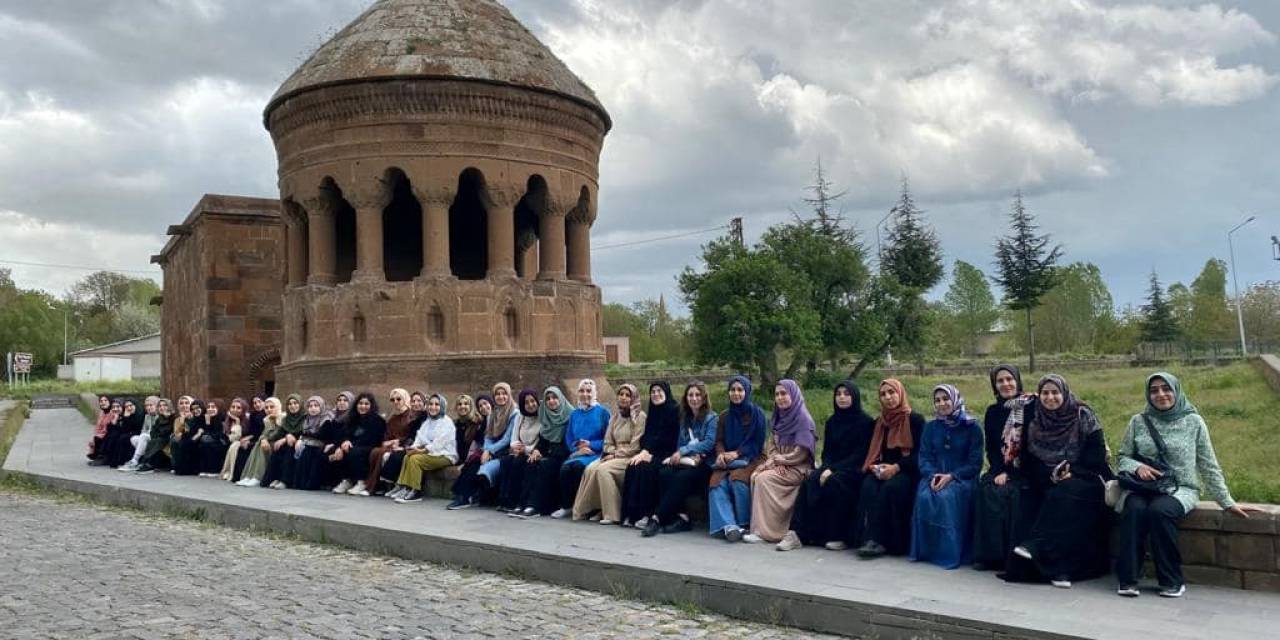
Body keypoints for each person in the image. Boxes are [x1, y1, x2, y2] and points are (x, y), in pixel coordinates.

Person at [1114, 372, 1259, 598]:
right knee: (1134, 510)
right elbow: (1123, 456)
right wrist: (1137, 468)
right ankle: (1129, 579)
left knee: (1160, 512)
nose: (1161, 394)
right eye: (1154, 390)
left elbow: (1208, 465)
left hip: (1180, 489)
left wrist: (1227, 502)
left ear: (1176, 390)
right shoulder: (1138, 421)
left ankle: (1171, 580)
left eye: (1166, 388)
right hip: (1144, 487)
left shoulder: (1193, 422)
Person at [1004, 374, 1112, 589]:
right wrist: (1051, 474)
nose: (1050, 397)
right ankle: (1055, 570)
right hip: (1050, 477)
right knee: (1031, 495)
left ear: (1064, 393)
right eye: (1045, 393)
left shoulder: (1083, 415)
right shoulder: (1035, 420)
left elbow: (1096, 457)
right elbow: (1029, 460)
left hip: (1087, 477)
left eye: (1055, 392)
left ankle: (1036, 547)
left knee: (1064, 495)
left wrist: (1071, 471)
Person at [791, 381, 876, 549]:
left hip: (855, 469)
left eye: (846, 394)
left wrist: (832, 470)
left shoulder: (865, 422)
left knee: (835, 482)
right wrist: (825, 468)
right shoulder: (832, 422)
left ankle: (839, 536)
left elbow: (860, 455)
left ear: (854, 396)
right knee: (810, 480)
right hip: (832, 467)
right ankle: (799, 533)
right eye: (838, 394)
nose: (842, 397)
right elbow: (827, 453)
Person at [909, 384, 983, 569]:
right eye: (937, 400)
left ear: (955, 399)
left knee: (946, 497)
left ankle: (950, 553)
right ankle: (927, 551)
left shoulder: (972, 427)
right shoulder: (930, 427)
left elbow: (975, 463)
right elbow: (924, 456)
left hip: (962, 478)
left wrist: (952, 476)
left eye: (946, 399)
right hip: (933, 475)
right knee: (925, 496)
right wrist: (932, 475)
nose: (942, 404)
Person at [853, 379, 926, 558]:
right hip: (883, 469)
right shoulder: (880, 422)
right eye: (883, 394)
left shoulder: (915, 420)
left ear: (900, 393)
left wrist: (897, 467)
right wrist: (877, 467)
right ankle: (867, 538)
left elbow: (921, 454)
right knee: (868, 486)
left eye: (891, 392)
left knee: (892, 488)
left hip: (907, 470)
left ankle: (889, 542)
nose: (888, 397)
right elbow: (875, 451)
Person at [746, 379, 817, 550]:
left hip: (798, 467)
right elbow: (771, 446)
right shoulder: (778, 418)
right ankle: (760, 529)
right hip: (780, 463)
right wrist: (774, 461)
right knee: (756, 475)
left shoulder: (803, 419)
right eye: (777, 394)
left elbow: (802, 452)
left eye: (784, 393)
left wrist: (782, 461)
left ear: (793, 394)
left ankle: (770, 532)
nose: (780, 398)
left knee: (764, 479)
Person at [973, 365, 1030, 570]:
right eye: (1000, 381)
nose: (1006, 384)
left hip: (1026, 469)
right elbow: (992, 447)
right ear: (994, 385)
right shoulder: (993, 411)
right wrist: (998, 470)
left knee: (1012, 495)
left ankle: (1010, 556)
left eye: (1009, 379)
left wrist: (1011, 473)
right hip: (1001, 469)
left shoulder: (1030, 406)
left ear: (1018, 380)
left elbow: (1031, 447)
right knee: (987, 489)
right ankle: (989, 556)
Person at [643, 381, 717, 536]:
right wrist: (685, 452)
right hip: (688, 460)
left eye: (698, 395)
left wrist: (690, 452)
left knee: (682, 478)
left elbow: (709, 443)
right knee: (665, 473)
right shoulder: (685, 418)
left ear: (704, 398)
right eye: (690, 395)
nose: (694, 398)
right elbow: (680, 442)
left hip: (704, 463)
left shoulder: (711, 418)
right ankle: (682, 517)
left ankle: (656, 518)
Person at [573, 383, 646, 524]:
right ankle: (595, 509)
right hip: (612, 455)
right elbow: (607, 442)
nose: (623, 398)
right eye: (621, 394)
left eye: (627, 395)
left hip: (629, 457)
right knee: (590, 469)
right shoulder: (615, 417)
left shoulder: (640, 417)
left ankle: (613, 514)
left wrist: (615, 454)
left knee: (603, 470)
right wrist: (611, 453)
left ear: (633, 398)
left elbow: (635, 446)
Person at [706, 375, 767, 541]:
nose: (736, 393)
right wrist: (720, 454)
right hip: (727, 458)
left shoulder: (757, 414)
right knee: (716, 483)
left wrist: (737, 453)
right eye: (732, 390)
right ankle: (729, 526)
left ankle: (744, 524)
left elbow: (757, 442)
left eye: (740, 390)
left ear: (747, 391)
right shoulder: (725, 416)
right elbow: (719, 440)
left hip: (753, 457)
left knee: (738, 480)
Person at [621, 382, 680, 529]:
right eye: (653, 391)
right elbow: (646, 436)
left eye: (659, 391)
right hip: (650, 452)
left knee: (647, 469)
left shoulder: (674, 411)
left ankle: (647, 514)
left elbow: (669, 438)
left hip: (667, 453)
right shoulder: (653, 412)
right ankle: (631, 514)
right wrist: (645, 451)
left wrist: (649, 453)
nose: (656, 394)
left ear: (666, 392)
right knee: (633, 466)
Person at [550, 379, 611, 519]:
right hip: (578, 453)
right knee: (565, 469)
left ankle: (584, 507)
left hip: (595, 453)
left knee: (578, 468)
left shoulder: (603, 412)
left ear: (595, 393)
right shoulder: (574, 414)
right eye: (582, 391)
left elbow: (608, 438)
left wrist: (591, 444)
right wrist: (576, 449)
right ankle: (567, 506)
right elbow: (569, 438)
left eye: (589, 391)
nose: (585, 394)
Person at [510, 386, 572, 517]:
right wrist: (537, 451)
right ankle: (523, 503)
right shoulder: (546, 417)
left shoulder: (569, 415)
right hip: (549, 454)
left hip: (563, 455)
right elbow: (544, 441)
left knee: (544, 465)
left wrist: (546, 453)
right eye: (548, 399)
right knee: (531, 462)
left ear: (560, 399)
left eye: (554, 398)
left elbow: (570, 442)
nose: (551, 401)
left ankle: (535, 506)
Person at [392, 394, 459, 503]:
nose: (433, 407)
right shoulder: (427, 422)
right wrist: (412, 448)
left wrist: (422, 450)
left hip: (445, 455)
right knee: (407, 457)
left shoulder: (446, 422)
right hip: (430, 453)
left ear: (442, 406)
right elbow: (419, 437)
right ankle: (406, 487)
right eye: (431, 404)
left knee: (415, 459)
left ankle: (416, 491)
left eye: (437, 404)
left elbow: (439, 443)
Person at [332, 393, 387, 496]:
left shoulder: (377, 420)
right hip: (352, 446)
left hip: (369, 446)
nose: (363, 406)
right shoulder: (352, 418)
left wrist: (350, 444)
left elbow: (373, 438)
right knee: (336, 451)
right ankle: (347, 480)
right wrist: (344, 442)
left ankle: (361, 481)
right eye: (360, 403)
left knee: (355, 452)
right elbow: (344, 434)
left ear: (371, 406)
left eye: (366, 404)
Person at [497, 389, 543, 511]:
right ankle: (506, 501)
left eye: (532, 401)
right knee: (506, 461)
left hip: (535, 452)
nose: (530, 405)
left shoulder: (543, 416)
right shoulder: (520, 416)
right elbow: (514, 437)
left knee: (522, 463)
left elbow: (542, 441)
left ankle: (522, 503)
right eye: (526, 402)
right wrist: (515, 447)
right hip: (520, 451)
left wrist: (526, 449)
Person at [447, 394, 494, 510]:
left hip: (488, 453)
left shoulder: (478, 422)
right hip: (471, 454)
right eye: (460, 404)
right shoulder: (456, 423)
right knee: (471, 464)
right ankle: (462, 496)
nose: (463, 407)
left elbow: (481, 443)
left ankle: (463, 497)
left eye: (466, 404)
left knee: (473, 465)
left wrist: (485, 451)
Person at [366, 388, 417, 496]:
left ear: (405, 399)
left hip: (403, 446)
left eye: (399, 399)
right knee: (375, 451)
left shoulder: (411, 416)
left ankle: (375, 486)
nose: (396, 402)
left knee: (385, 455)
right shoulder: (392, 418)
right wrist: (388, 442)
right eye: (392, 400)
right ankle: (377, 486)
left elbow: (411, 435)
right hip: (390, 445)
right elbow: (386, 436)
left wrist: (399, 442)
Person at [285, 396, 334, 491]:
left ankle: (311, 484)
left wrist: (306, 437)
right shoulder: (307, 419)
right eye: (310, 406)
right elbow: (303, 433)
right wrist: (303, 438)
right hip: (310, 444)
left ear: (321, 407)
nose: (313, 408)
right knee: (305, 451)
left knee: (309, 451)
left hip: (322, 444)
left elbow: (321, 435)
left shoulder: (326, 419)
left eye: (316, 406)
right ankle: (300, 483)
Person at [260, 394, 306, 489]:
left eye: (295, 403)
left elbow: (305, 433)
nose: (292, 406)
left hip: (300, 444)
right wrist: (264, 439)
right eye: (290, 404)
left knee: (289, 449)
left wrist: (287, 438)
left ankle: (285, 481)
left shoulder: (305, 418)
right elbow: (277, 434)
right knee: (277, 447)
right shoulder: (286, 419)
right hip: (288, 443)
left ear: (300, 404)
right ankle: (274, 478)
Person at [236, 397, 283, 488]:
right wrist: (263, 439)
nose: (269, 410)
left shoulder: (282, 417)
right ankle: (250, 476)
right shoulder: (267, 419)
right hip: (269, 443)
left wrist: (264, 439)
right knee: (258, 444)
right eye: (267, 407)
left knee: (260, 445)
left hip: (278, 444)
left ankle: (258, 477)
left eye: (272, 407)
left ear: (277, 406)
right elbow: (264, 434)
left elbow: (278, 434)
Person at [230, 395, 270, 483]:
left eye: (259, 402)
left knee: (250, 447)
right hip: (255, 438)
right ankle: (240, 476)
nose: (257, 404)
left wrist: (249, 439)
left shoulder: (266, 414)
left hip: (262, 438)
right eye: (255, 403)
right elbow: (252, 431)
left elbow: (262, 431)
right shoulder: (253, 415)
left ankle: (253, 475)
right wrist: (246, 439)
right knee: (242, 447)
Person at [119, 396, 161, 472]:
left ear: (157, 406)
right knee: (133, 439)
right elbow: (143, 430)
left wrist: (145, 434)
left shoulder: (160, 416)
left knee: (143, 436)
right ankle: (143, 461)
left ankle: (135, 460)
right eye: (146, 406)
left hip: (156, 437)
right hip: (147, 437)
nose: (148, 408)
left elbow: (157, 431)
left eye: (151, 405)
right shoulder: (147, 416)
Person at [134, 398, 176, 474]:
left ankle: (149, 463)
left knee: (158, 441)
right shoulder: (159, 418)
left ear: (169, 407)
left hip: (169, 439)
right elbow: (153, 432)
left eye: (165, 405)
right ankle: (146, 463)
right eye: (160, 406)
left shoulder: (173, 417)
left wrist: (167, 419)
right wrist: (163, 418)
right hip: (159, 439)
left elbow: (168, 431)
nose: (162, 407)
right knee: (153, 441)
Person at [103, 399, 144, 468]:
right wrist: (125, 418)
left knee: (122, 437)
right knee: (115, 435)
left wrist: (126, 418)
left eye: (130, 405)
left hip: (139, 433)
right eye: (127, 406)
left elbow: (136, 426)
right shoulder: (127, 414)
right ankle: (109, 459)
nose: (129, 408)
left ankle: (120, 461)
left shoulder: (139, 413)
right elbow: (124, 428)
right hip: (129, 433)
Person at [195, 399, 231, 477]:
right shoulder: (207, 418)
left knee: (210, 443)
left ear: (219, 408)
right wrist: (208, 423)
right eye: (209, 407)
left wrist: (209, 432)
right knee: (204, 443)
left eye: (213, 407)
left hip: (222, 442)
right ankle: (205, 469)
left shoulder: (224, 419)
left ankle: (214, 470)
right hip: (212, 440)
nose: (210, 409)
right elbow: (207, 433)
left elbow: (220, 434)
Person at [170, 399, 204, 476]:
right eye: (193, 409)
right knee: (179, 440)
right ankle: (177, 466)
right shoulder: (187, 419)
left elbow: (203, 429)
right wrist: (182, 421)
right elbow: (179, 434)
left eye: (197, 408)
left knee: (187, 442)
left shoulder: (204, 418)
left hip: (197, 440)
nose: (195, 411)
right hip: (191, 438)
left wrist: (197, 435)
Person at [218, 398, 247, 480]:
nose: (235, 410)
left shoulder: (247, 420)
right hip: (229, 444)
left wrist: (237, 422)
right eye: (233, 407)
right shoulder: (227, 421)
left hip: (241, 444)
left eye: (238, 408)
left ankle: (231, 472)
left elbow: (235, 438)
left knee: (235, 445)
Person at [87, 396, 117, 465]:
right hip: (101, 433)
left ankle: (102, 458)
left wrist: (101, 434)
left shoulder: (112, 412)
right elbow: (98, 426)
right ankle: (97, 457)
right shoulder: (102, 413)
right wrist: (96, 434)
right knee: (96, 437)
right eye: (101, 401)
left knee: (99, 438)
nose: (103, 402)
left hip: (109, 433)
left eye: (105, 400)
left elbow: (110, 426)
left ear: (110, 402)